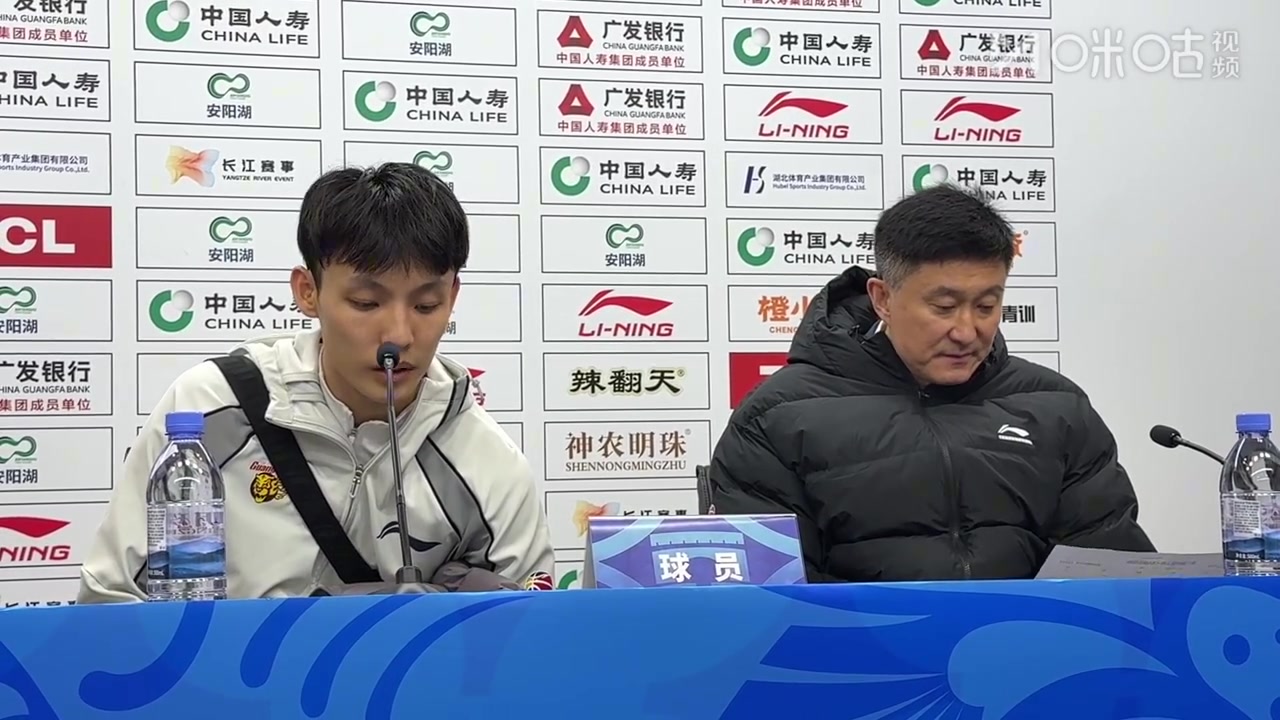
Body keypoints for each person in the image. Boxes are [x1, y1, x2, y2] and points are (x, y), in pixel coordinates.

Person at [79, 162, 554, 602]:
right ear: (308, 292)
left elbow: (525, 634)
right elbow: (110, 599)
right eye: (366, 303)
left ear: (452, 297)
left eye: (426, 305)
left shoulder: (487, 465)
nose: (399, 335)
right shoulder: (209, 409)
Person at [708, 183, 1155, 583]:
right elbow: (771, 594)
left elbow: (1111, 572)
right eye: (944, 307)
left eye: (986, 306)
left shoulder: (1056, 407)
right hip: (858, 649)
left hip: (1028, 644)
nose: (966, 330)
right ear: (883, 299)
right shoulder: (778, 417)